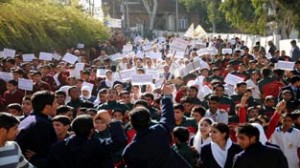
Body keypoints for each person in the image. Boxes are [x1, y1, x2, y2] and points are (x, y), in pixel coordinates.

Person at [122, 83, 191, 168]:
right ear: (149, 119)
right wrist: (166, 96)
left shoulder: (129, 151)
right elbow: (167, 116)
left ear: (131, 124)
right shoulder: (159, 131)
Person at [48, 113, 126, 168]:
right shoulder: (99, 145)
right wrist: (111, 122)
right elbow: (120, 141)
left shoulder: (57, 147)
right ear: (91, 130)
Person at [16, 91, 58, 168]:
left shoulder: (29, 119)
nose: (57, 105)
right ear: (47, 106)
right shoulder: (41, 124)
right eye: (55, 103)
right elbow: (44, 152)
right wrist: (37, 159)